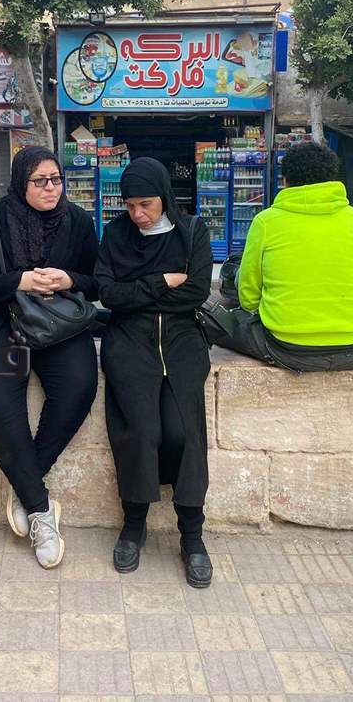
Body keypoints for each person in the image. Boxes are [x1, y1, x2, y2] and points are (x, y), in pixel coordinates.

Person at [0, 146, 99, 570]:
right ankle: (40, 509)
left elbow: (97, 281)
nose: (52, 188)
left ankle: (24, 485)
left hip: (57, 324)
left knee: (79, 385)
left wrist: (69, 279)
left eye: (57, 179)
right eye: (40, 181)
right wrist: (19, 281)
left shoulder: (78, 221)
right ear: (21, 182)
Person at [96, 157, 214, 588]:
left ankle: (192, 534)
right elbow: (108, 294)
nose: (138, 214)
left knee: (183, 432)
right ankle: (134, 524)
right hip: (129, 344)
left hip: (182, 344)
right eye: (130, 206)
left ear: (164, 197)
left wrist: (136, 293)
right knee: (140, 431)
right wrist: (161, 282)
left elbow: (196, 292)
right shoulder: (116, 234)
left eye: (145, 204)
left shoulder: (192, 231)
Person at [220, 142, 353, 372]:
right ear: (332, 178)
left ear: (285, 180)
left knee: (221, 321)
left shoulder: (266, 222)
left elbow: (248, 298)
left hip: (288, 350)